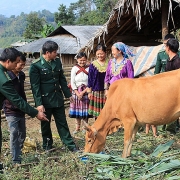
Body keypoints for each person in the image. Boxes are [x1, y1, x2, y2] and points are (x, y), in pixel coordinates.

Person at [0, 48, 48, 166]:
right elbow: (16, 99)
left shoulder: (9, 74)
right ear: (8, 61)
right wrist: (36, 113)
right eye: (16, 62)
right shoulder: (3, 79)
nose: (18, 65)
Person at [29, 40, 78, 151]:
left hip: (57, 99)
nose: (56, 54)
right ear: (47, 52)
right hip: (45, 101)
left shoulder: (57, 62)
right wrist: (39, 104)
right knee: (45, 125)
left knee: (62, 123)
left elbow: (61, 79)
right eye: (55, 52)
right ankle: (47, 146)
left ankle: (70, 145)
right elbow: (35, 87)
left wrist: (67, 93)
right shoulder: (36, 66)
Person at [3, 53, 27, 164]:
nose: (21, 67)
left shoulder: (21, 75)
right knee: (14, 133)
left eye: (23, 65)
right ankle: (15, 160)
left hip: (21, 109)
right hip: (10, 109)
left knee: (22, 133)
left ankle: (18, 152)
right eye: (20, 64)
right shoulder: (6, 76)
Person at [154, 34, 180, 133]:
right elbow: (159, 72)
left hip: (174, 90)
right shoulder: (168, 58)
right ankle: (165, 127)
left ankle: (172, 128)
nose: (164, 47)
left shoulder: (177, 60)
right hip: (167, 88)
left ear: (169, 47)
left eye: (166, 45)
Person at [69, 52, 90, 133]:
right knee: (77, 111)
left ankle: (85, 128)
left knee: (85, 111)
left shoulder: (89, 68)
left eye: (84, 60)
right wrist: (77, 93)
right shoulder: (74, 68)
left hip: (86, 91)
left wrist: (83, 92)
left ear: (86, 60)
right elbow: (72, 82)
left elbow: (90, 81)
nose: (82, 62)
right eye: (80, 60)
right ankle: (77, 128)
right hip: (76, 91)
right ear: (77, 60)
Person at [87, 44, 108, 118]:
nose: (100, 56)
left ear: (105, 53)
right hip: (96, 91)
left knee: (107, 110)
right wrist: (89, 92)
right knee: (98, 112)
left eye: (101, 53)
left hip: (107, 91)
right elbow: (90, 78)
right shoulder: (93, 65)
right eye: (98, 54)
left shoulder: (110, 63)